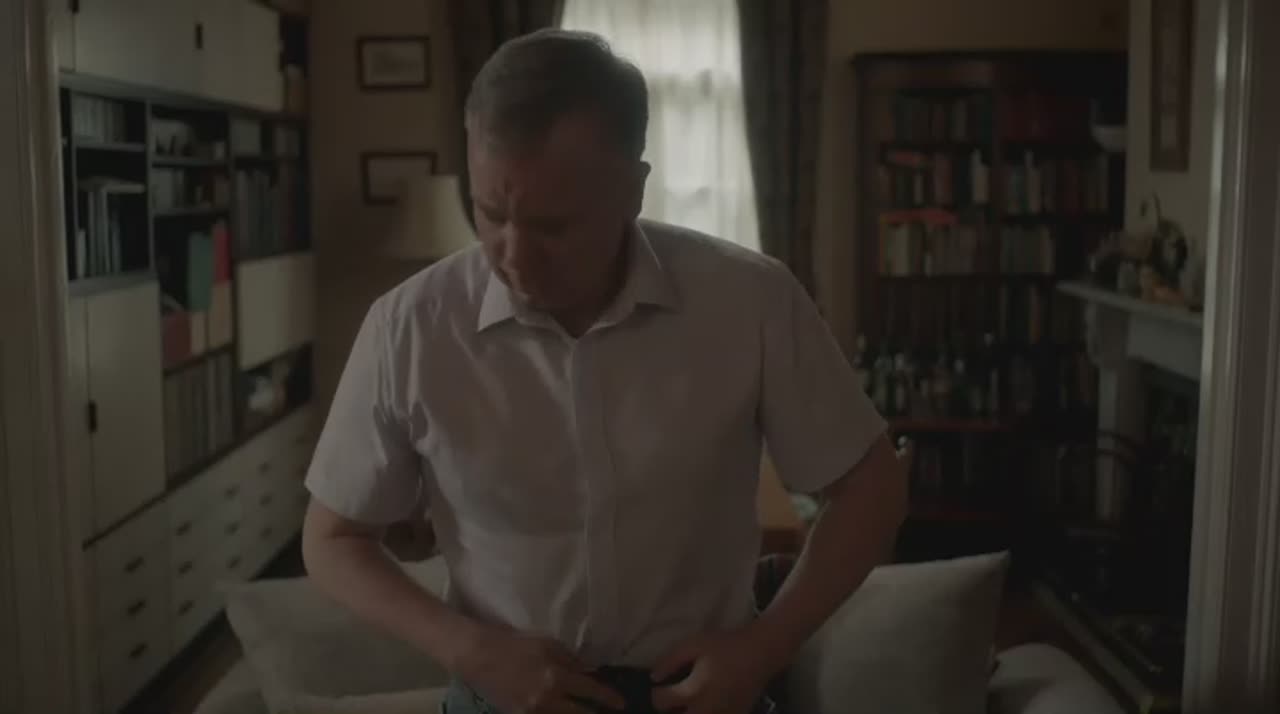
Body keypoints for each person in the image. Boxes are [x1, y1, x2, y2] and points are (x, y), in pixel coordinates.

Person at [302, 28, 907, 714]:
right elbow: (331, 539)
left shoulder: (751, 300)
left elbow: (872, 487)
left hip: (702, 698)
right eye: (490, 213)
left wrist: (767, 646)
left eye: (553, 226)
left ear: (633, 190)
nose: (513, 257)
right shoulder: (408, 326)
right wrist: (470, 650)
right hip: (498, 698)